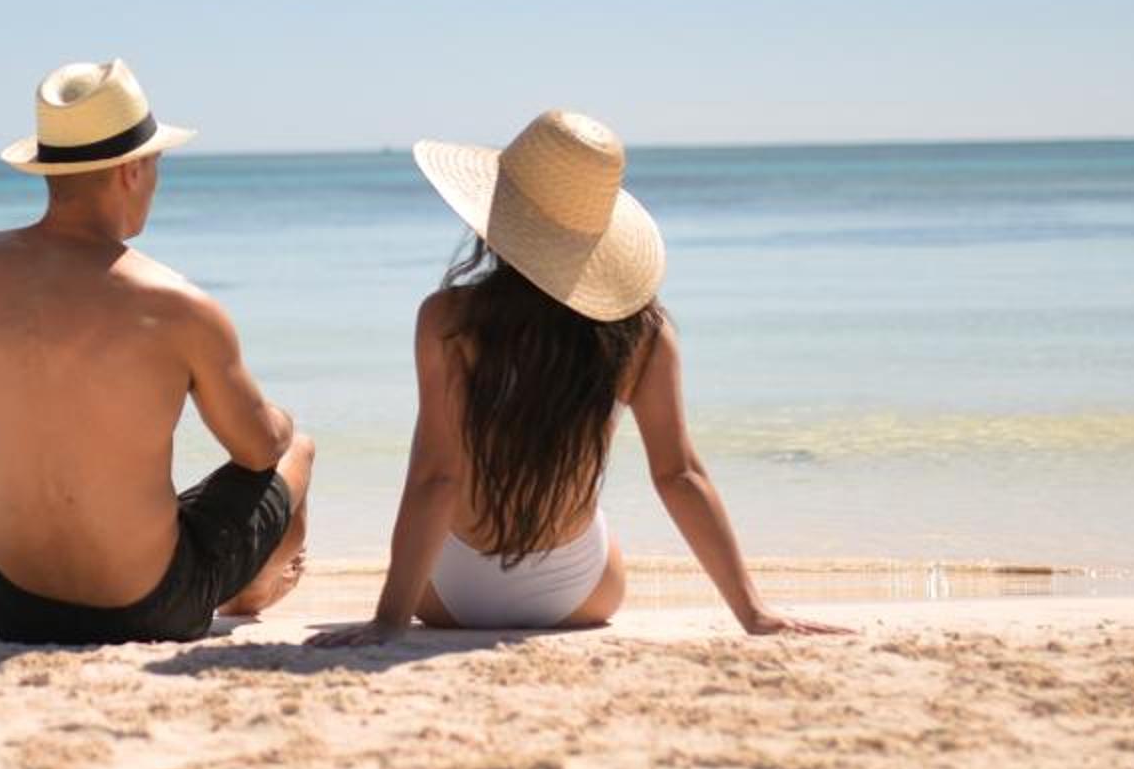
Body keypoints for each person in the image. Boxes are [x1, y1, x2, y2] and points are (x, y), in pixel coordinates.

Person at [309, 109, 844, 646]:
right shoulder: (643, 333)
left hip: (453, 598)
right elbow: (679, 476)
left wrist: (389, 620)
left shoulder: (447, 320)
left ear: (498, 214)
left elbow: (436, 477)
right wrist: (752, 611)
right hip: (580, 594)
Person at [0, 58, 313, 644]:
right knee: (293, 448)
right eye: (157, 164)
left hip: (6, 603)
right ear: (132, 170)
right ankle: (254, 591)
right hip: (145, 610)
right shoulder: (179, 305)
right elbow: (257, 448)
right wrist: (281, 421)